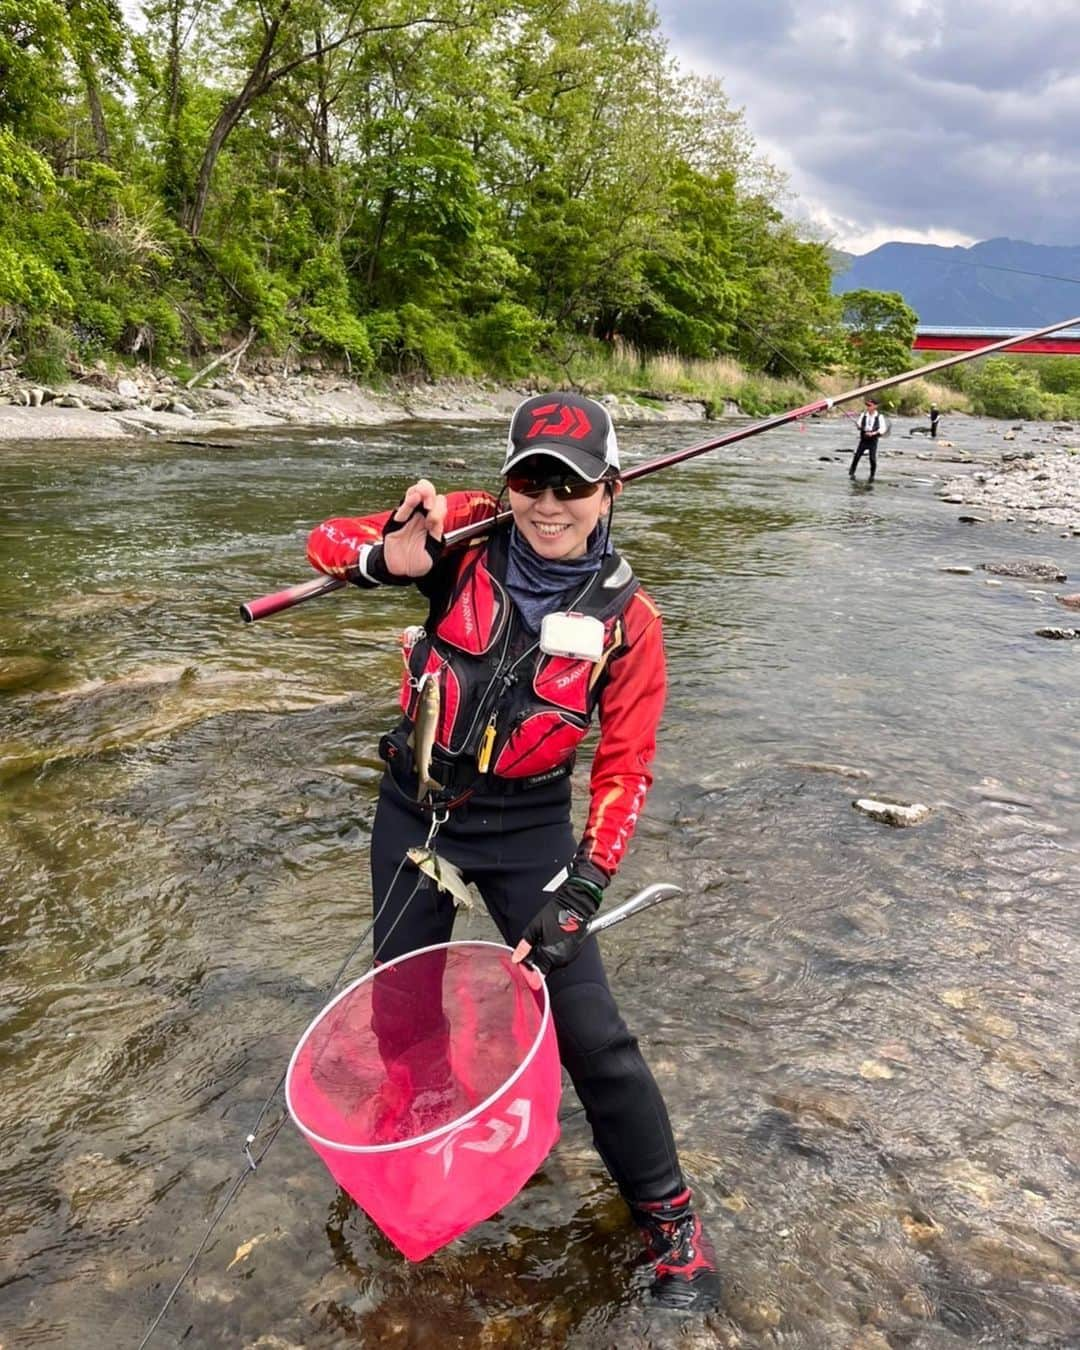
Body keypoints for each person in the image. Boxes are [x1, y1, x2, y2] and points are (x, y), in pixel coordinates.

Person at [305, 391, 722, 1313]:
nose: (547, 503)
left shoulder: (632, 622)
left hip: (529, 829)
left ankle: (673, 1223)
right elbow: (322, 542)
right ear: (508, 480)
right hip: (415, 811)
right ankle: (432, 1148)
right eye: (531, 478)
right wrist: (386, 556)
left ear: (608, 491)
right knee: (404, 1012)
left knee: (595, 1037)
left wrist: (581, 890)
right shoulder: (455, 533)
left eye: (571, 485)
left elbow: (624, 770)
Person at [849, 397, 883, 481]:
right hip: (864, 439)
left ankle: (872, 475)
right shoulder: (863, 415)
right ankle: (851, 472)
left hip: (873, 440)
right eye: (867, 405)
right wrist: (858, 426)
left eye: (870, 405)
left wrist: (873, 433)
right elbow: (859, 425)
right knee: (857, 456)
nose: (868, 407)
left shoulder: (879, 416)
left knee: (872, 458)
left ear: (875, 406)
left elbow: (882, 429)